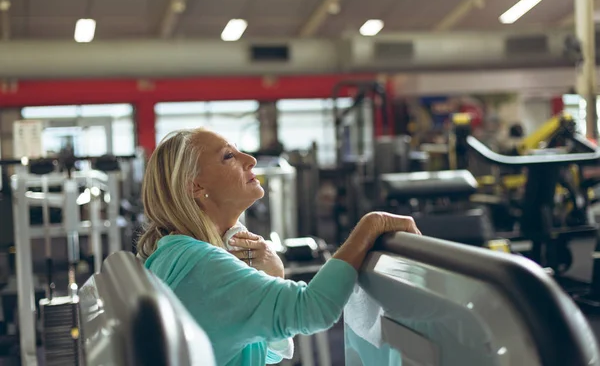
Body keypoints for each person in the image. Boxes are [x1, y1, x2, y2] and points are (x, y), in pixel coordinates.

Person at [136, 128, 422, 366]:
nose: (250, 160)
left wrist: (271, 276)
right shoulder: (201, 264)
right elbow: (314, 309)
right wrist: (371, 225)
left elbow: (268, 353)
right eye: (228, 156)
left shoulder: (175, 254)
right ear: (196, 187)